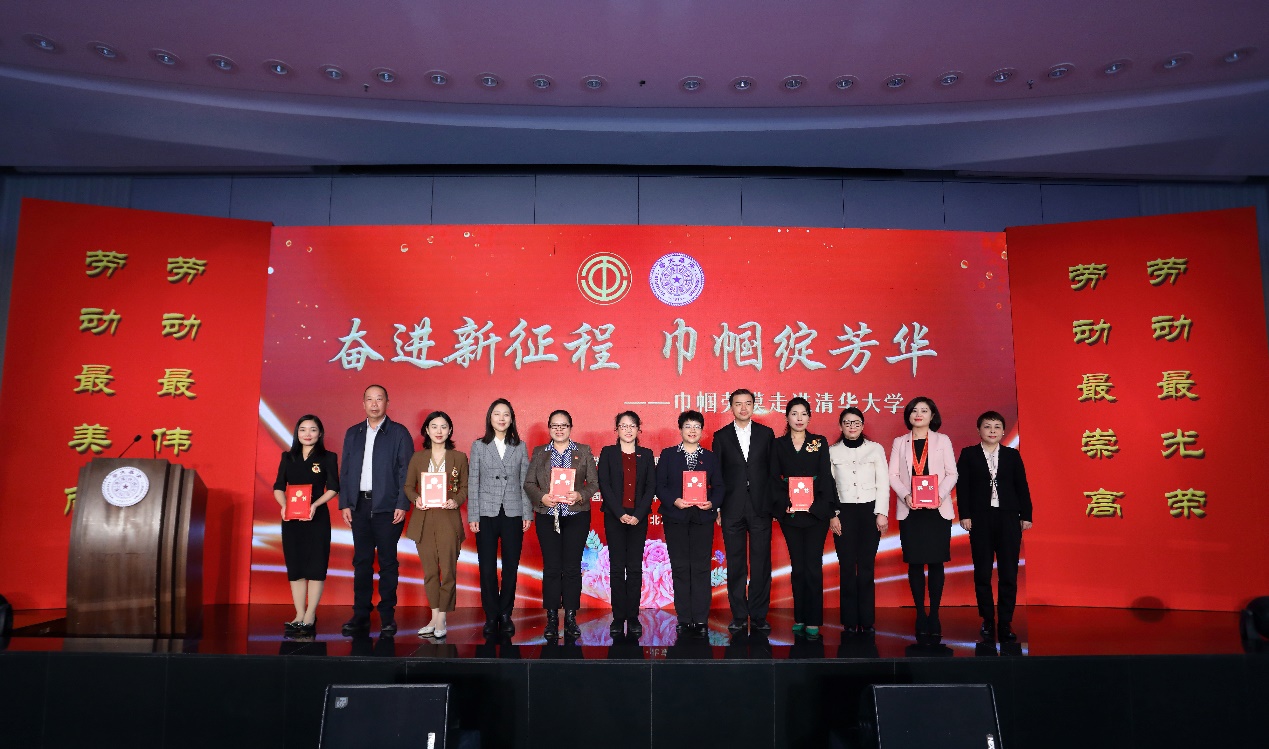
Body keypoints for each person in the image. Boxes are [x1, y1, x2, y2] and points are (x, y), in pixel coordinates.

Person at [338, 385, 414, 636]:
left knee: (388, 561)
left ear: (387, 403)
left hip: (387, 507)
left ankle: (387, 616)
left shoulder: (398, 433)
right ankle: (360, 614)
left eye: (379, 399)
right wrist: (345, 503)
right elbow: (345, 470)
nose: (374, 404)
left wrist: (402, 503)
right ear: (363, 404)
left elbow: (406, 471)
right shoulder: (353, 433)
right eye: (369, 399)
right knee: (361, 561)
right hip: (359, 506)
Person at [957, 410, 1033, 644]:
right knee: (982, 571)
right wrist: (965, 515)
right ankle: (988, 619)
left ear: (1002, 431)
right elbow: (963, 487)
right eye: (987, 427)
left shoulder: (1011, 455)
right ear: (979, 430)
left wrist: (1026, 515)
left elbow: (1022, 486)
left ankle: (1006, 620)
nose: (992, 431)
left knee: (1009, 571)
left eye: (997, 427)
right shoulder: (969, 454)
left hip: (1008, 517)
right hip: (980, 518)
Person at [524, 409, 600, 641]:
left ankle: (570, 617)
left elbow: (594, 483)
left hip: (576, 517)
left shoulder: (583, 451)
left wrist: (579, 494)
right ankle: (551, 618)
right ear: (549, 428)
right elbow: (529, 483)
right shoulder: (540, 452)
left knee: (572, 568)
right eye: (555, 426)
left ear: (570, 428)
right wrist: (542, 498)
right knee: (551, 568)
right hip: (548, 516)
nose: (559, 429)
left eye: (563, 425)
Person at [888, 396, 958, 640]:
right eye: (914, 410)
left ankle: (935, 614)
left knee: (937, 563)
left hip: (937, 510)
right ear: (908, 415)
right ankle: (920, 613)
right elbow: (893, 475)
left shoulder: (942, 440)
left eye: (924, 410)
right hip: (911, 511)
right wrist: (906, 495)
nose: (918, 414)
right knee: (915, 563)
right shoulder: (900, 442)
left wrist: (940, 495)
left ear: (932, 415)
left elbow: (952, 473)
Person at [711, 389, 777, 634]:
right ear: (731, 407)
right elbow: (716, 476)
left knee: (761, 562)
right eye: (738, 404)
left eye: (748, 403)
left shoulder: (766, 434)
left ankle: (759, 615)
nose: (743, 408)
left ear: (753, 406)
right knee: (736, 562)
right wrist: (718, 506)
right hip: (732, 507)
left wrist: (773, 503)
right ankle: (739, 615)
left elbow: (773, 472)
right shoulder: (721, 436)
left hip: (760, 507)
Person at [770, 396, 834, 639]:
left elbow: (825, 476)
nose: (799, 418)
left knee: (813, 567)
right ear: (787, 417)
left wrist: (819, 507)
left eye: (804, 414)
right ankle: (800, 617)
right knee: (797, 568)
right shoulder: (778, 444)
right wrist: (783, 505)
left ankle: (814, 620)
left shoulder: (819, 442)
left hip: (816, 514)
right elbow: (773, 478)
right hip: (791, 515)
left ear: (809, 417)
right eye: (794, 414)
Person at [656, 410, 724, 639]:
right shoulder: (668, 455)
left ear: (702, 431)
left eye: (696, 426)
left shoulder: (710, 457)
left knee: (701, 568)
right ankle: (684, 618)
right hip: (675, 517)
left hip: (702, 519)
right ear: (680, 429)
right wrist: (674, 500)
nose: (692, 430)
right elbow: (660, 485)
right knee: (680, 567)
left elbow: (720, 487)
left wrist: (713, 503)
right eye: (688, 426)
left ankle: (701, 618)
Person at [468, 398, 532, 637]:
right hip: (486, 512)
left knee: (510, 566)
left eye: (506, 414)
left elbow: (525, 481)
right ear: (490, 418)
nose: (502, 418)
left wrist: (527, 512)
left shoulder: (520, 446)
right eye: (497, 414)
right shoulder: (479, 446)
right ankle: (490, 614)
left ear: (512, 419)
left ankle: (506, 614)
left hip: (513, 512)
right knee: (486, 567)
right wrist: (473, 514)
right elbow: (473, 481)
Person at [403, 411, 469, 640]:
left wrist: (456, 501)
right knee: (430, 572)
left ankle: (442, 618)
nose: (439, 431)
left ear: (450, 431)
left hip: (448, 519)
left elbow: (465, 487)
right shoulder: (418, 458)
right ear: (427, 430)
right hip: (423, 519)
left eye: (443, 427)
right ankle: (433, 617)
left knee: (448, 571)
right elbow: (408, 487)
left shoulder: (459, 457)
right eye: (434, 426)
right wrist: (416, 499)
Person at [272, 414, 339, 637]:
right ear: (297, 433)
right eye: (302, 429)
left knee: (316, 566)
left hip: (316, 518)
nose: (307, 434)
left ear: (320, 434)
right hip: (291, 520)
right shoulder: (287, 457)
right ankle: (299, 614)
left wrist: (315, 505)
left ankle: (311, 614)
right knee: (296, 566)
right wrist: (284, 506)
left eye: (312, 429)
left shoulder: (328, 457)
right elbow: (279, 486)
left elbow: (333, 487)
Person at [828, 407, 889, 635]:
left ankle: (867, 619)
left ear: (862, 426)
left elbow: (883, 482)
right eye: (847, 423)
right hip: (843, 512)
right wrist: (833, 515)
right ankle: (849, 620)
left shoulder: (875, 449)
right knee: (846, 566)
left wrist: (881, 512)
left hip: (869, 512)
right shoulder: (832, 451)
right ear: (840, 426)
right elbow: (829, 487)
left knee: (865, 566)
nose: (852, 427)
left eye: (856, 423)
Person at [597, 411, 656, 638]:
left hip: (638, 518)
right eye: (623, 426)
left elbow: (650, 487)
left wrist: (638, 514)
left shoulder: (646, 454)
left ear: (638, 429)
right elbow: (604, 484)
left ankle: (632, 616)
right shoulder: (608, 453)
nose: (628, 430)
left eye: (632, 426)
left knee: (634, 568)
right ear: (617, 429)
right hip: (614, 516)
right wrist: (620, 513)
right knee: (616, 567)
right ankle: (617, 616)